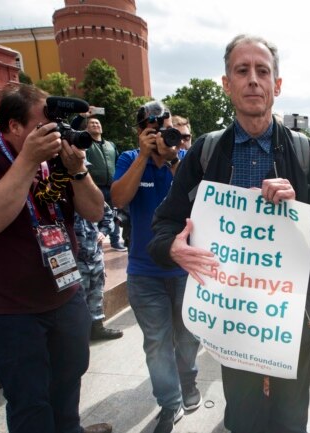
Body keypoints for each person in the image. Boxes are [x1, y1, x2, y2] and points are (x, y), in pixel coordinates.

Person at [147, 34, 310, 433]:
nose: (253, 80)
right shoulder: (205, 153)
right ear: (227, 84)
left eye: (262, 71)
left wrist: (297, 215)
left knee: (291, 419)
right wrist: (173, 248)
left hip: (290, 315)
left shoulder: (306, 155)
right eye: (242, 70)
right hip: (229, 318)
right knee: (244, 417)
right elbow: (163, 226)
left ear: (277, 85)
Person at [0, 83, 110, 433]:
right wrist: (29, 160)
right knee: (31, 402)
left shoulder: (56, 159)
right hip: (14, 311)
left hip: (66, 294)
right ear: (14, 127)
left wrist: (77, 170)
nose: (54, 133)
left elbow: (93, 212)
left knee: (68, 385)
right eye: (43, 125)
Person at [110, 101, 201, 433]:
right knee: (157, 341)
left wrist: (174, 158)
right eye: (154, 130)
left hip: (185, 268)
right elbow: (118, 199)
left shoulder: (186, 159)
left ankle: (188, 379)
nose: (163, 135)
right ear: (141, 132)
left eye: (166, 128)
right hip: (144, 271)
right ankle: (170, 401)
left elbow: (197, 199)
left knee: (189, 336)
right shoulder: (127, 159)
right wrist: (145, 157)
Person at [74, 202, 124, 340]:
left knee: (96, 292)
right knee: (77, 297)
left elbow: (108, 213)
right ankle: (79, 334)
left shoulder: (87, 194)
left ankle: (97, 328)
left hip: (94, 253)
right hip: (73, 258)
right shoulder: (57, 195)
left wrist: (103, 232)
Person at [84, 116, 127, 252]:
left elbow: (117, 164)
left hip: (111, 186)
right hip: (95, 187)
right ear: (86, 128)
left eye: (97, 123)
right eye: (92, 123)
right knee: (96, 216)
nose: (96, 125)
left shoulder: (110, 145)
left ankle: (115, 241)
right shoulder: (85, 144)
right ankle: (95, 242)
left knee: (114, 216)